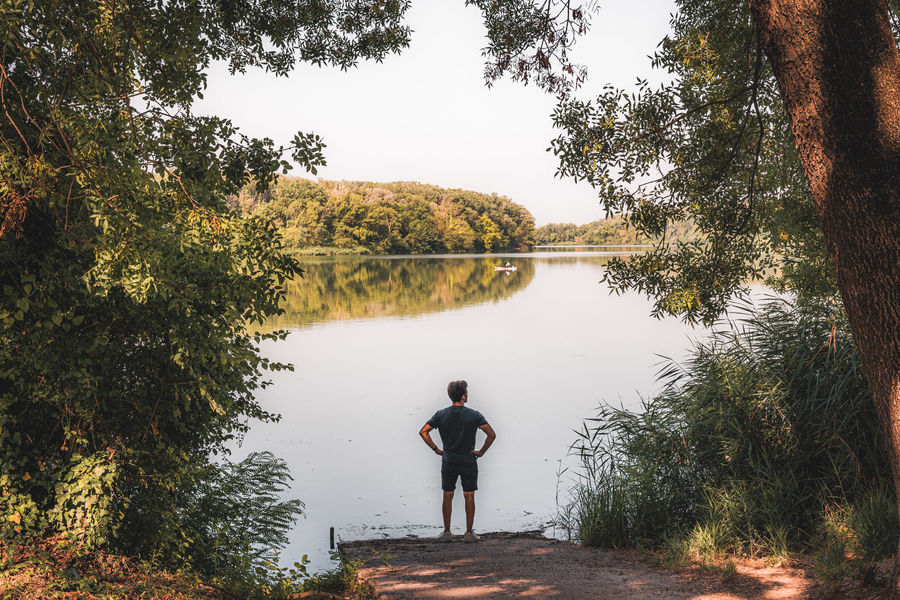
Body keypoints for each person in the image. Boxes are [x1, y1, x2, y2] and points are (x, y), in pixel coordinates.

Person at [419, 380, 496, 543]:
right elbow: (492, 435)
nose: (467, 394)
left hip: (449, 460)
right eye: (466, 392)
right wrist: (481, 451)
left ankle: (447, 532)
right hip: (468, 460)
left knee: (448, 494)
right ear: (462, 396)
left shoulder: (441, 414)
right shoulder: (475, 415)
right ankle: (469, 533)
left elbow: (424, 431)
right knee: (469, 495)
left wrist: (436, 449)